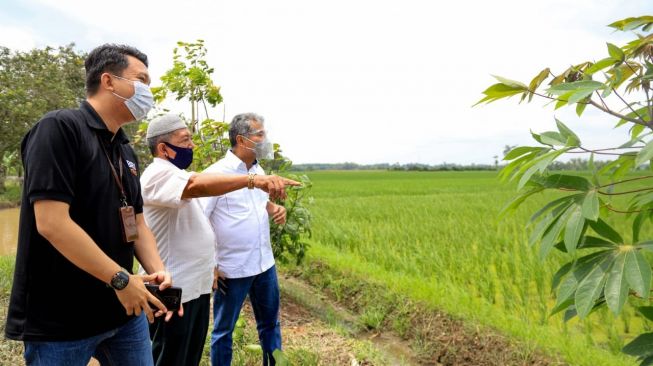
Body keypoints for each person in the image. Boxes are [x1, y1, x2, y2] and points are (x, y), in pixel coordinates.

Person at [4, 44, 179, 366]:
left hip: (124, 312)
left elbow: (137, 222)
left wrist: (158, 272)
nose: (147, 91)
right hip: (62, 319)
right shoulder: (59, 129)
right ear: (109, 81)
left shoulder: (125, 150)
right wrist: (121, 279)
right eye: (141, 79)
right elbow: (52, 223)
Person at [141, 114, 299, 366]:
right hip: (178, 288)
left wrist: (269, 205)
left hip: (198, 286)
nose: (192, 145)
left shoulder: (178, 174)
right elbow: (198, 188)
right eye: (185, 140)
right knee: (173, 355)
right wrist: (252, 181)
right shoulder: (159, 175)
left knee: (187, 355)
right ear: (163, 148)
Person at [202, 113, 287, 366]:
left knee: (270, 325)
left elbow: (255, 204)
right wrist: (212, 265)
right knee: (223, 331)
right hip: (232, 269)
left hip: (264, 264)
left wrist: (272, 208)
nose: (265, 139)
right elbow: (200, 221)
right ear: (241, 139)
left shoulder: (259, 170)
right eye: (259, 134)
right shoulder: (216, 174)